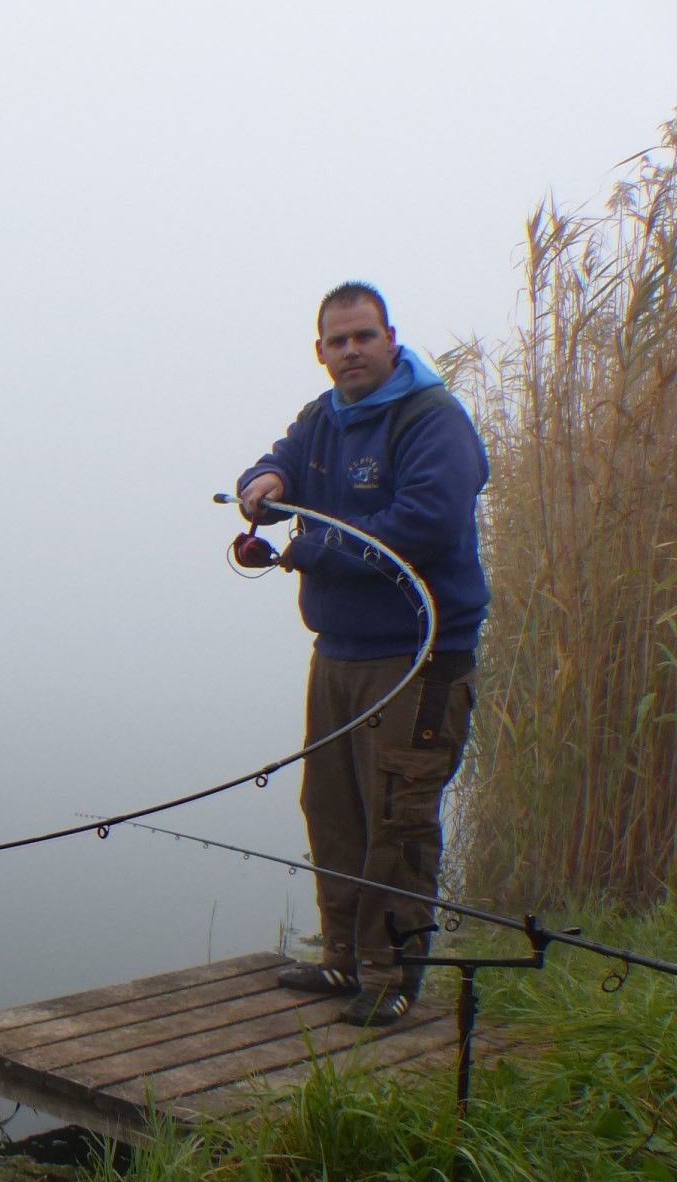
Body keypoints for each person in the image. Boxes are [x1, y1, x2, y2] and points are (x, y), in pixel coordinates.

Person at [236, 282, 489, 1025]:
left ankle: (394, 977)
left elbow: (428, 521)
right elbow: (278, 458)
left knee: (398, 817)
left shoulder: (431, 418)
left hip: (419, 658)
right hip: (338, 656)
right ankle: (344, 959)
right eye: (337, 341)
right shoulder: (323, 418)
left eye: (363, 337)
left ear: (389, 339)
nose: (350, 351)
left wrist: (317, 549)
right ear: (320, 352)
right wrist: (266, 482)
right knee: (334, 807)